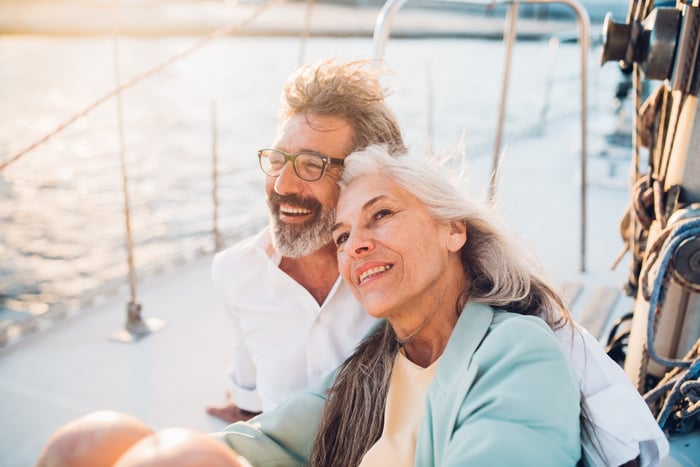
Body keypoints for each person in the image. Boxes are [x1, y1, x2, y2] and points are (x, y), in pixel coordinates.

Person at [213, 144, 582, 465]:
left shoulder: (518, 352)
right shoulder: (371, 365)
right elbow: (269, 441)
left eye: (381, 215)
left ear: (453, 230)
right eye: (342, 236)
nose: (355, 245)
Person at [206, 57, 406, 423]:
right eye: (278, 160)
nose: (282, 186)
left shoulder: (404, 269)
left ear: (364, 175)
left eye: (311, 165)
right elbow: (251, 398)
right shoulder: (236, 271)